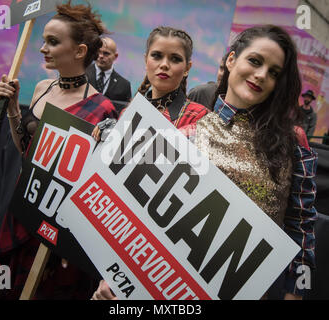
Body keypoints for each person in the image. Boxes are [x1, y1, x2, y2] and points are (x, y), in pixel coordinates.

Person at [93, 25, 318, 301]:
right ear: (232, 60)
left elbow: (303, 230)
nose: (261, 75)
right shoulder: (186, 133)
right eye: (255, 61)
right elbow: (141, 220)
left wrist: (297, 293)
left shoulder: (293, 142)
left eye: (274, 72)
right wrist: (116, 276)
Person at [0, 1, 118, 300]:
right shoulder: (42, 88)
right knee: (6, 290)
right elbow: (25, 149)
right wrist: (12, 109)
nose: (43, 48)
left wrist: (68, 242)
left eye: (52, 42)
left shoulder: (103, 109)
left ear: (79, 51)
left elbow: (93, 188)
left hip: (55, 229)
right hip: (22, 208)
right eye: (44, 40)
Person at [91, 26, 209, 141]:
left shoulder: (199, 117)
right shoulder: (127, 113)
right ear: (146, 60)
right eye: (157, 56)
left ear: (187, 68)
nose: (164, 64)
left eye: (175, 59)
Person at [86, 37, 132, 113]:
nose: (101, 56)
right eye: (99, 52)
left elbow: (124, 113)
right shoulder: (82, 73)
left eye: (106, 53)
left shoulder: (124, 85)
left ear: (115, 56)